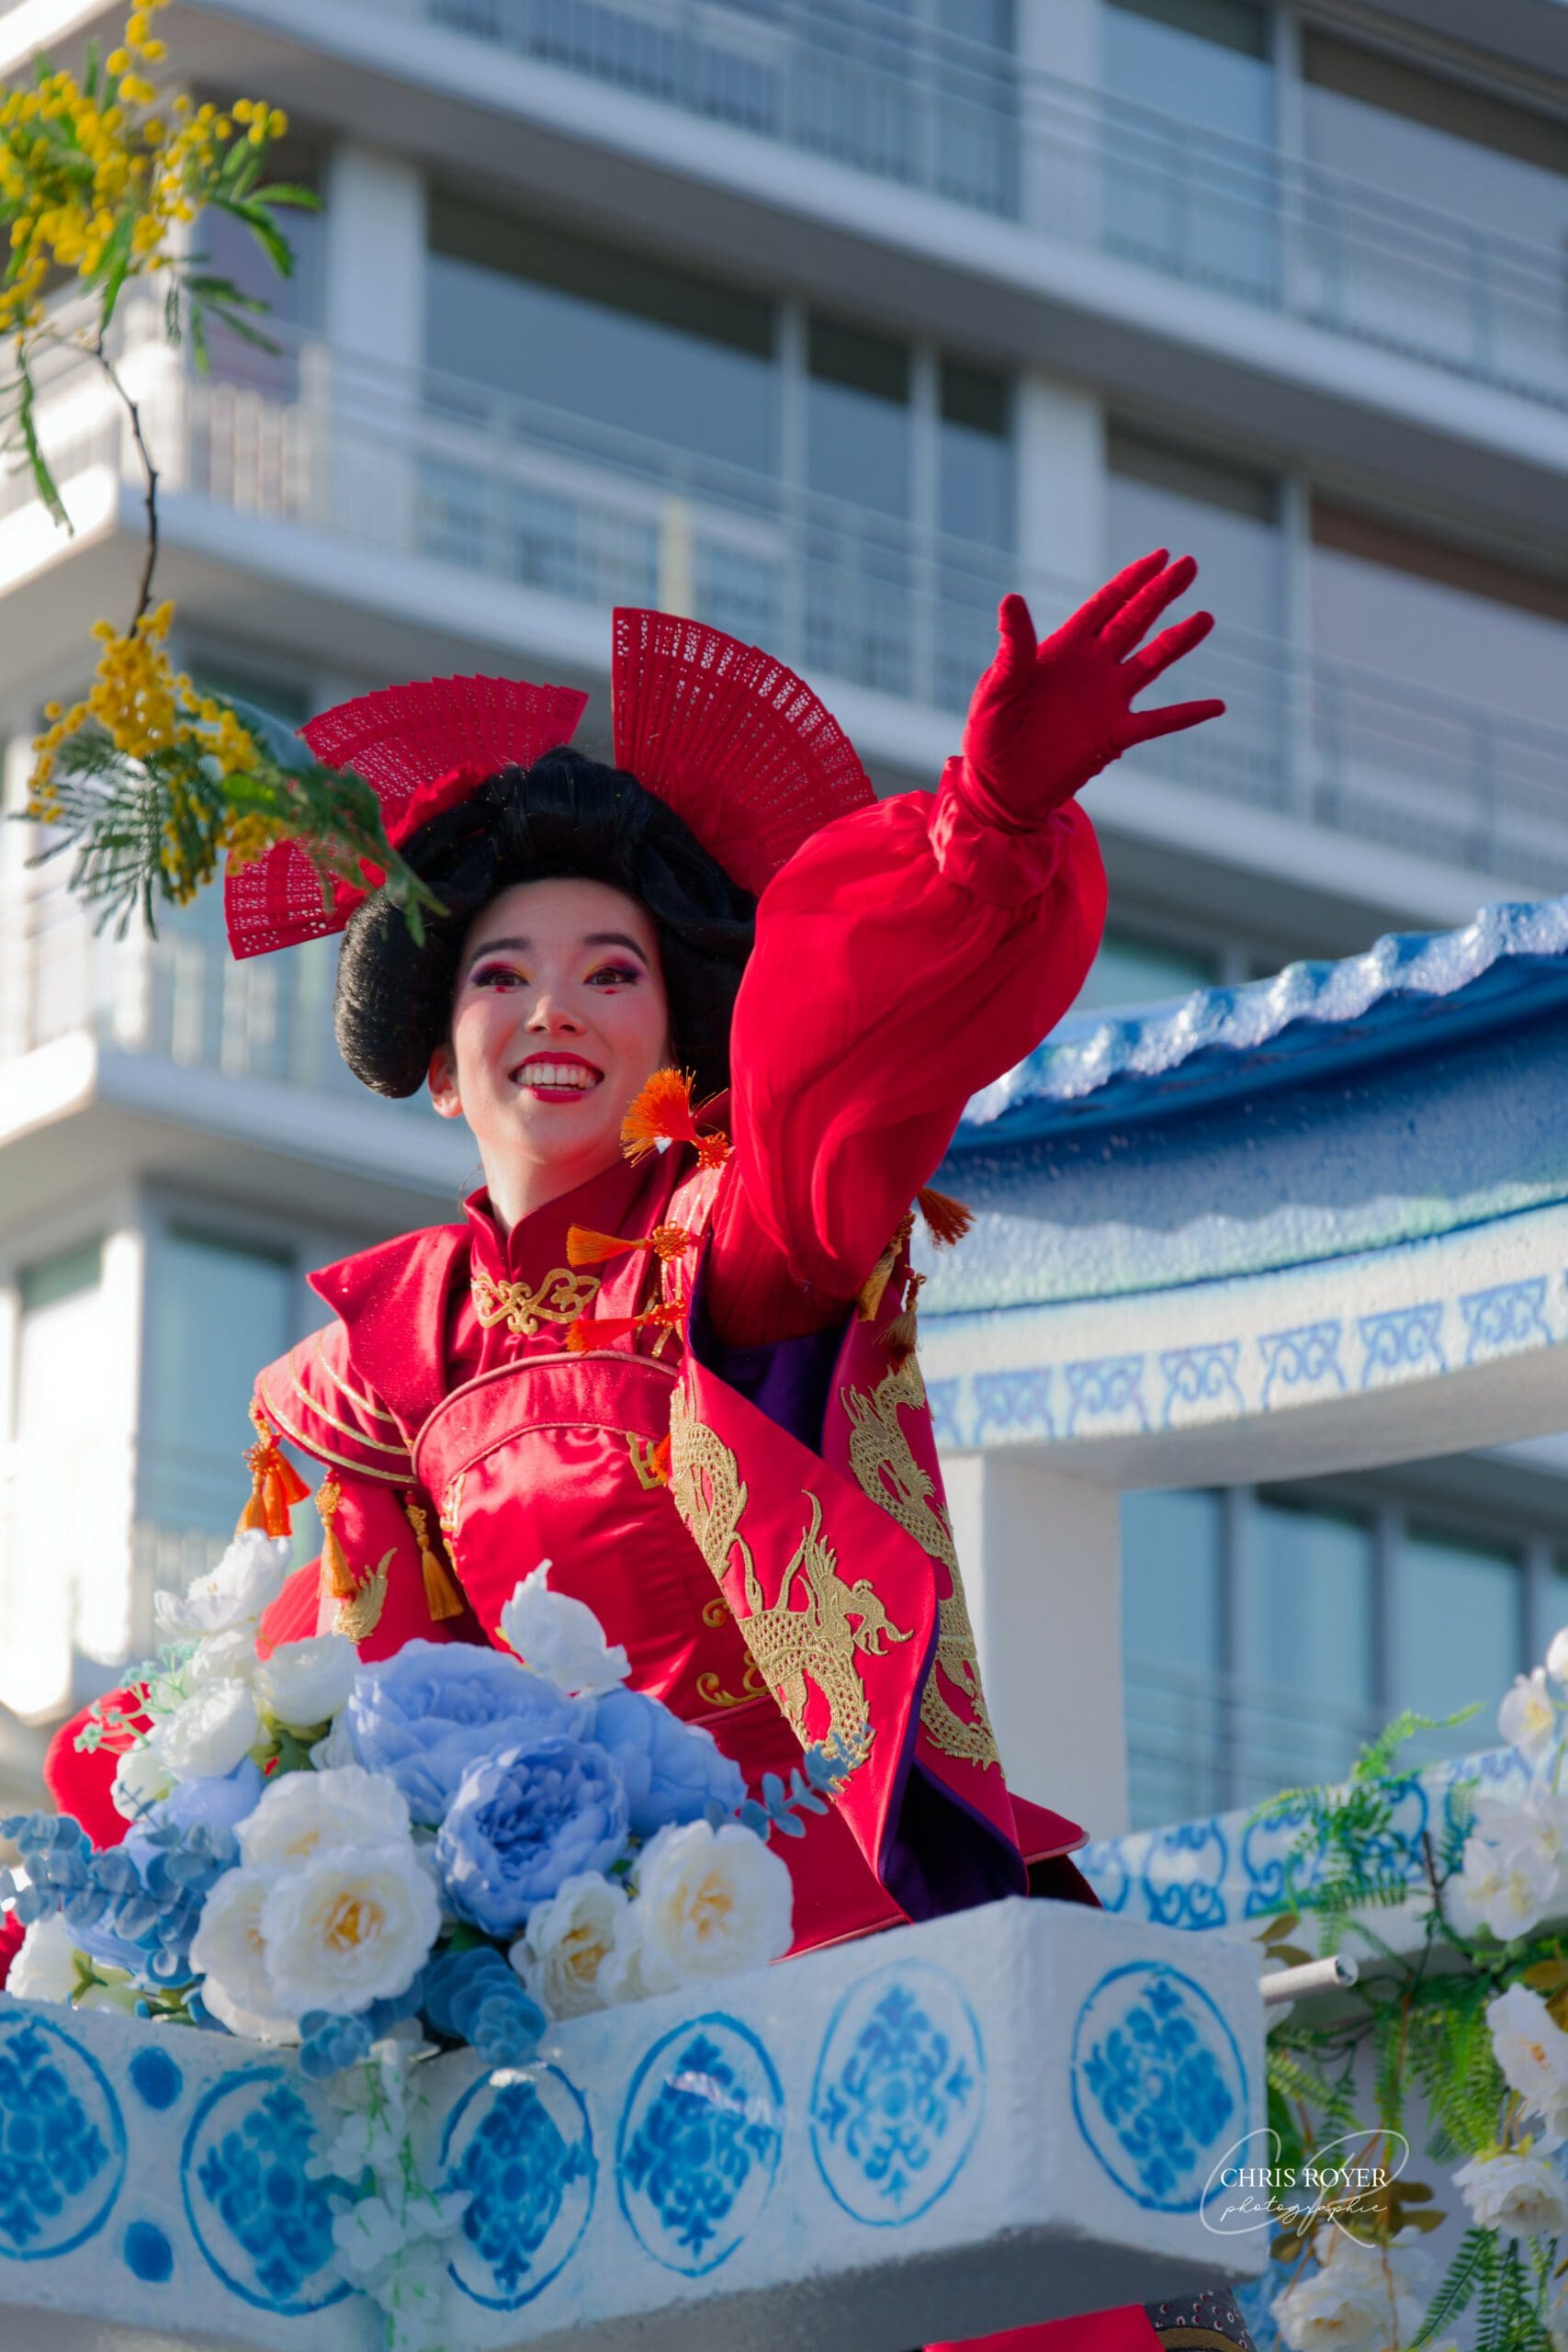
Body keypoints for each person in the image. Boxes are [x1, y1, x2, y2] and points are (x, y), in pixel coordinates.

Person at [43, 560, 1252, 2351]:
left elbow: (835, 1081)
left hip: (816, 1915)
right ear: (436, 1057)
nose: (553, 1010)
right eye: (501, 973)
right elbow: (368, 1700)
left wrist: (981, 826)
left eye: (609, 973)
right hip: (548, 1991)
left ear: (679, 1033)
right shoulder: (376, 1369)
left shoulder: (729, 1246)